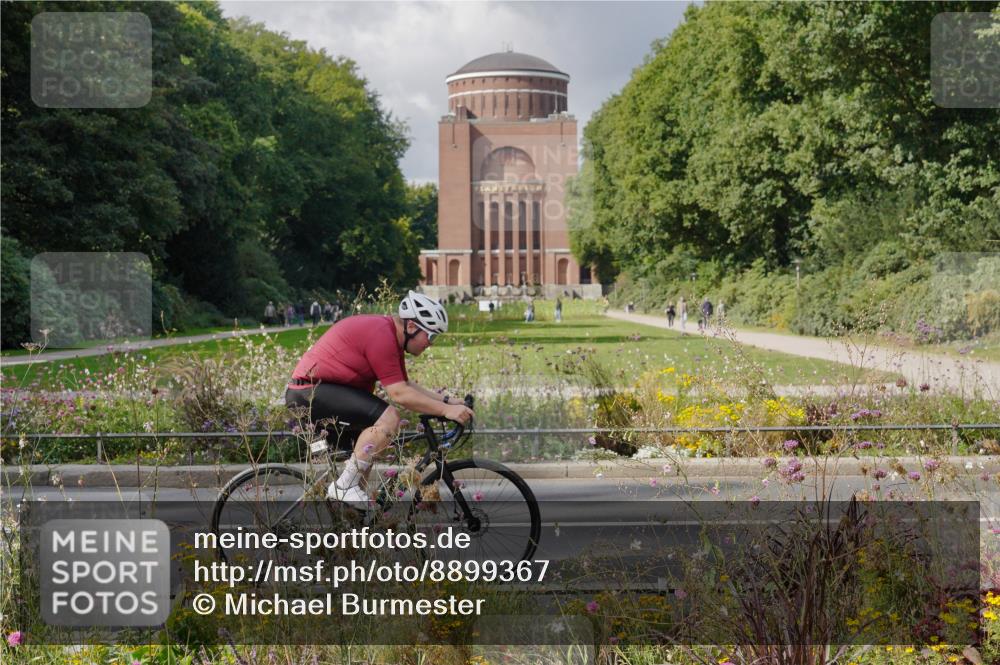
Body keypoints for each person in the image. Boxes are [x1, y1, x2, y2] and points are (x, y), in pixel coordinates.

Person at [286, 291, 473, 508]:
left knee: (365, 457)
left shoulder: (391, 336)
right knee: (389, 418)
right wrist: (445, 411)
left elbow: (406, 384)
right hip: (309, 392)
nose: (431, 344)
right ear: (412, 327)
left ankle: (353, 522)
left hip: (322, 391)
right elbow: (399, 394)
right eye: (431, 336)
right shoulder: (381, 335)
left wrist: (447, 401)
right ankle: (344, 487)